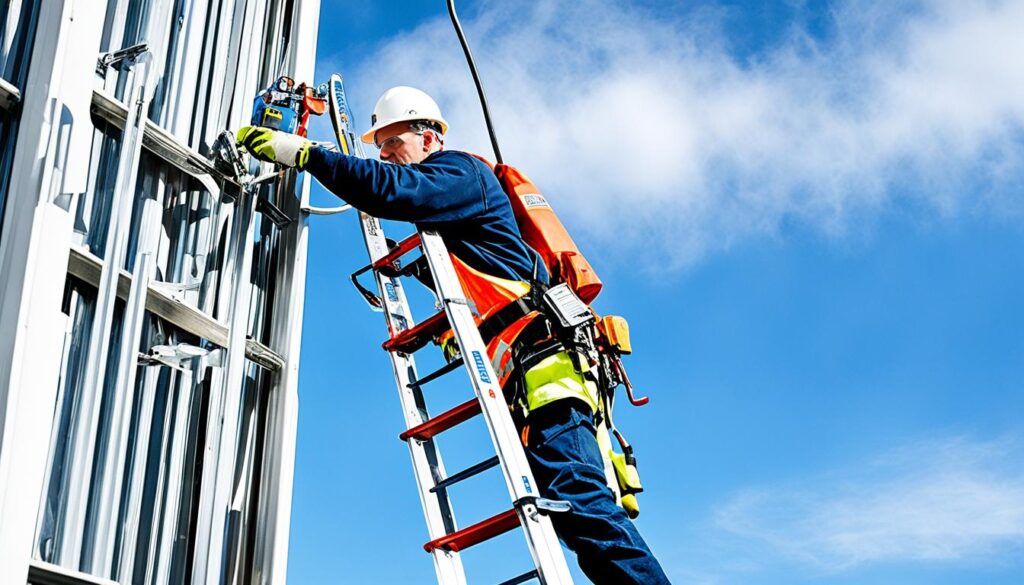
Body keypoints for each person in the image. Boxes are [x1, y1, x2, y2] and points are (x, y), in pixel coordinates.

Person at [237, 86, 670, 585]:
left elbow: (393, 190)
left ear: (427, 136)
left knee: (587, 511)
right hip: (534, 385)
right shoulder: (457, 220)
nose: (382, 153)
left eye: (390, 140)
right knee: (579, 519)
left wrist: (307, 155)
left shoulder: (462, 173)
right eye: (377, 146)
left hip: (549, 376)